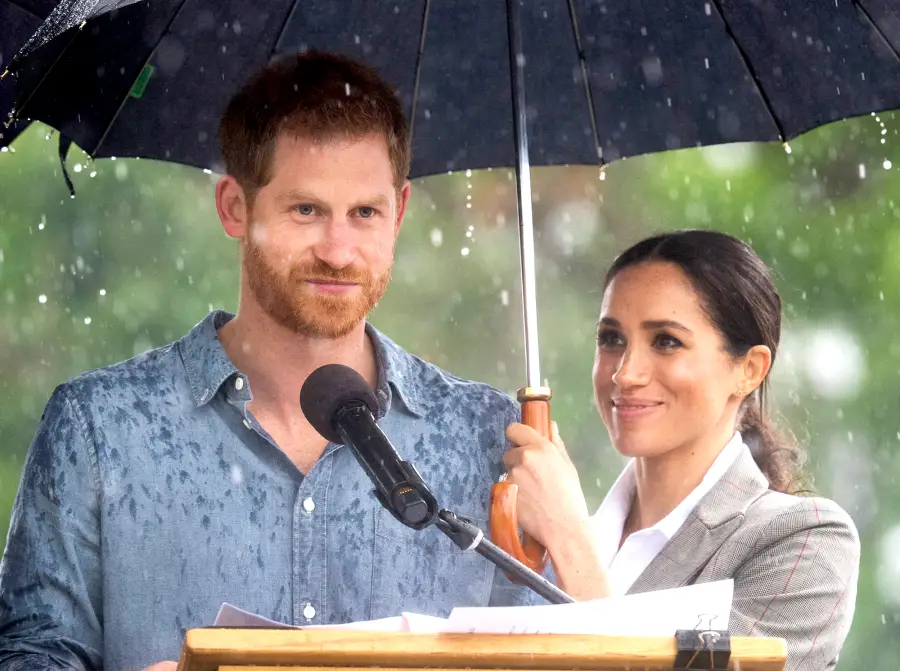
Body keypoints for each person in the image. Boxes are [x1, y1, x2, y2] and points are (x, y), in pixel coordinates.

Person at [0, 51, 535, 671]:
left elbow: (555, 651)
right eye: (306, 210)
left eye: (364, 213)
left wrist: (574, 547)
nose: (338, 252)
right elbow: (29, 655)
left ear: (400, 212)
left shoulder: (489, 439)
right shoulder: (98, 429)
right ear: (235, 207)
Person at [502, 229, 860, 671]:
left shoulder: (806, 543)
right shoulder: (533, 543)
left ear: (749, 369)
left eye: (666, 341)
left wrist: (570, 541)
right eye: (612, 339)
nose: (625, 374)